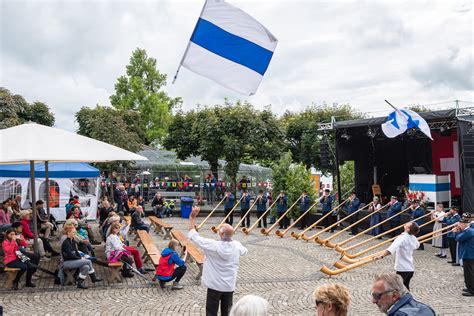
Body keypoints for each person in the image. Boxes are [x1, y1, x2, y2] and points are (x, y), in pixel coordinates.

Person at [188, 206, 248, 316]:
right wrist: (232, 239)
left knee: (211, 312)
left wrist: (192, 218)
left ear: (220, 234)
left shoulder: (213, 246)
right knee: (227, 312)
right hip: (229, 285)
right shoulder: (237, 246)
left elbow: (194, 236)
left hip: (214, 285)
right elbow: (245, 251)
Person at [376, 222, 420, 290]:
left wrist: (382, 256)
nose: (405, 223)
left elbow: (391, 249)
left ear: (407, 229)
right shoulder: (413, 238)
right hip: (410, 269)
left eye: (408, 224)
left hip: (402, 269)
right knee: (405, 288)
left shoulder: (402, 238)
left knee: (399, 290)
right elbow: (417, 246)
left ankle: (404, 300)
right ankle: (407, 300)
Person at [61, 223, 102, 289]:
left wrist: (80, 257)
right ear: (68, 233)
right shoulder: (66, 243)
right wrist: (80, 258)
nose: (75, 234)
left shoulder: (72, 241)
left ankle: (79, 283)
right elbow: (70, 255)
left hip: (73, 260)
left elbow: (76, 252)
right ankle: (93, 278)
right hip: (67, 262)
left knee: (86, 267)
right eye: (73, 232)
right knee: (88, 261)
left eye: (75, 232)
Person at [453, 212, 474, 296]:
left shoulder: (469, 231)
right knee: (468, 272)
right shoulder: (468, 230)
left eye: (461, 224)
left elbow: (459, 238)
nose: (460, 225)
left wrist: (455, 232)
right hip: (468, 254)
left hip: (469, 254)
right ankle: (469, 286)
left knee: (469, 273)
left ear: (465, 224)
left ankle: (471, 290)